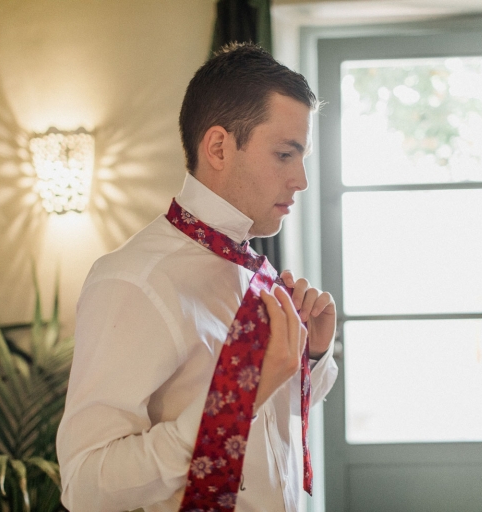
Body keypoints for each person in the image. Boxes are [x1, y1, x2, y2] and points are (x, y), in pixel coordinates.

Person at [56, 42, 338, 512]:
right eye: (286, 155)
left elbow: (270, 427)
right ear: (219, 147)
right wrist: (236, 397)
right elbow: (86, 485)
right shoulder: (134, 281)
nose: (302, 180)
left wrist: (312, 355)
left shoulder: (253, 269)